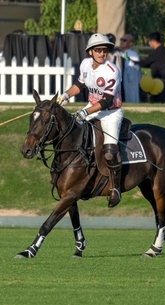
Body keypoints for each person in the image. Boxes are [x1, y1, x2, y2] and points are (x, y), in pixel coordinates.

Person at [59, 33, 124, 208]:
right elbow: (79, 85)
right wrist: (65, 95)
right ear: (91, 52)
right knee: (72, 134)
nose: (102, 53)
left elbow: (107, 101)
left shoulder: (112, 71)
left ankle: (115, 187)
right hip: (91, 107)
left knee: (110, 151)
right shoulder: (85, 64)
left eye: (104, 50)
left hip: (111, 112)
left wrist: (85, 111)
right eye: (98, 50)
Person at [141, 32, 165, 103]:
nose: (149, 43)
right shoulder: (164, 51)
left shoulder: (157, 52)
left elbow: (144, 63)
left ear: (153, 41)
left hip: (159, 81)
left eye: (149, 41)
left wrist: (134, 61)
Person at [118, 34, 141, 103]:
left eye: (124, 40)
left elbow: (134, 70)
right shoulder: (118, 53)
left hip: (130, 81)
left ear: (130, 43)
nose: (122, 42)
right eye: (121, 40)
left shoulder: (133, 54)